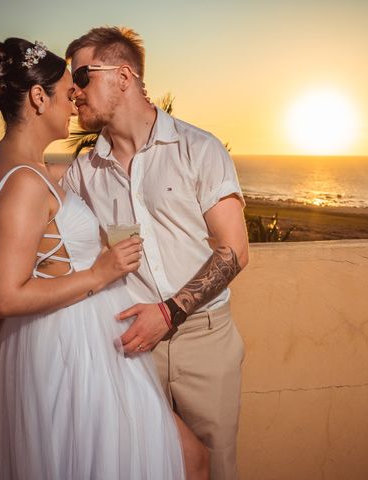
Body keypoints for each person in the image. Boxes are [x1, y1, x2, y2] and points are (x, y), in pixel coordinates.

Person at [0, 37, 203, 479]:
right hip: (76, 351)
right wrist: (100, 272)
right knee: (180, 460)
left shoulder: (28, 167)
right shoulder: (22, 181)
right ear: (38, 97)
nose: (74, 101)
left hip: (79, 340)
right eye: (64, 89)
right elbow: (1, 297)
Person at [63, 27, 250, 479]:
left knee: (215, 467)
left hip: (204, 340)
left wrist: (168, 314)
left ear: (124, 76)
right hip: (128, 348)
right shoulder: (82, 173)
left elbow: (235, 251)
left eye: (83, 76)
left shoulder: (198, 148)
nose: (73, 91)